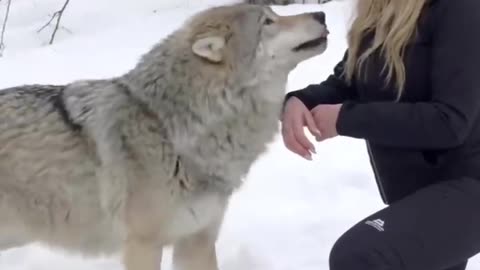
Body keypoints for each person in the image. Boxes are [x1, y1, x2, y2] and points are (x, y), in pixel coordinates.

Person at [280, 0, 480, 269]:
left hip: (469, 185)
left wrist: (346, 119)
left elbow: (451, 121)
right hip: (420, 193)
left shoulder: (459, 9)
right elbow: (350, 81)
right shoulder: (380, 9)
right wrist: (302, 100)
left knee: (360, 256)